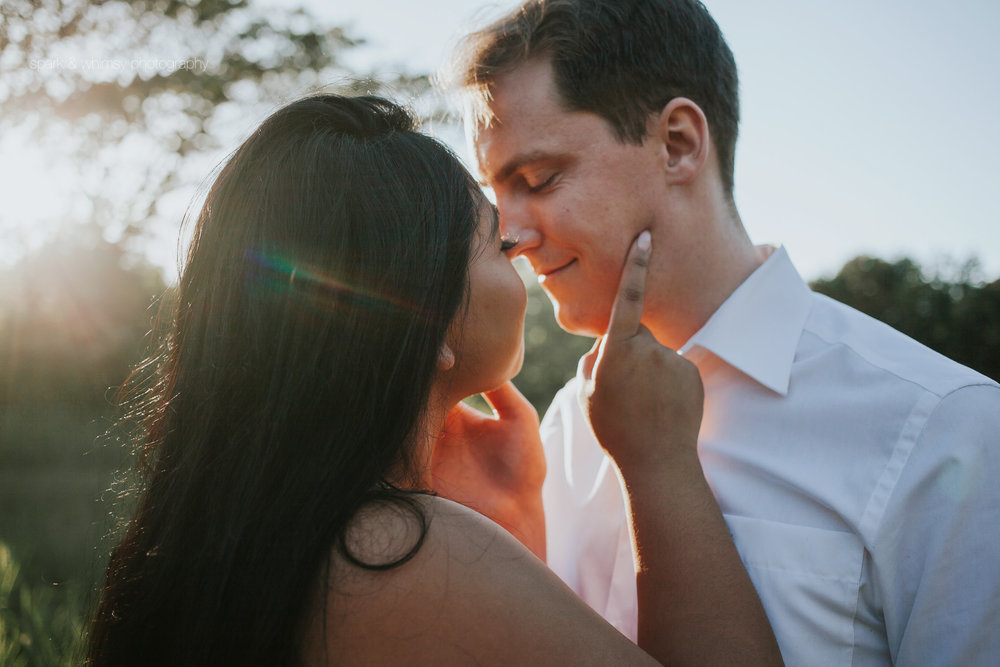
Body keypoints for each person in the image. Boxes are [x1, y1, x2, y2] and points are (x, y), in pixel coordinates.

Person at [85, 94, 781, 665]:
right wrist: (659, 461)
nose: (525, 246)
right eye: (496, 242)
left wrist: (516, 524)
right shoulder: (391, 553)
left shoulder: (274, 535)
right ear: (427, 316)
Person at [448, 0, 1000, 664]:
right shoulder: (566, 424)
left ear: (678, 142)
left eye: (537, 178)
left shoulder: (947, 431)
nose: (509, 233)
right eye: (495, 192)